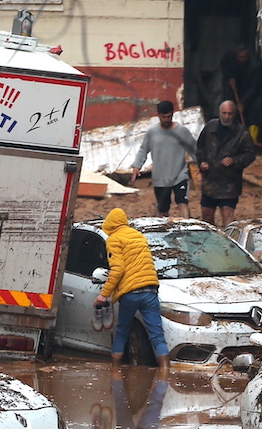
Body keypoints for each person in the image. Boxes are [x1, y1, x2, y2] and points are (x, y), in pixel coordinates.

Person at [92, 207, 169, 368]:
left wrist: (104, 294)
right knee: (157, 335)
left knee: (122, 332)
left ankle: (115, 371)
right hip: (150, 289)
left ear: (111, 224)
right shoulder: (139, 236)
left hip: (130, 292)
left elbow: (118, 269)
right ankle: (165, 372)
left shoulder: (114, 239)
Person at [128, 100, 199, 218]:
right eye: (163, 117)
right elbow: (143, 149)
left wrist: (202, 164)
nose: (166, 120)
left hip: (180, 175)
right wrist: (137, 166)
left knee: (183, 203)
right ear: (158, 115)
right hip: (160, 177)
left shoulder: (182, 131)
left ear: (173, 114)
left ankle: (186, 229)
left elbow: (194, 149)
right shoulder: (152, 132)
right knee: (163, 209)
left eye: (169, 116)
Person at [196, 101, 257, 228]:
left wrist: (235, 160)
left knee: (228, 217)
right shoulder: (210, 127)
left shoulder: (241, 133)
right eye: (224, 113)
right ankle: (208, 245)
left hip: (229, 184)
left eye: (230, 113)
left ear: (234, 114)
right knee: (207, 217)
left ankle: (229, 244)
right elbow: (200, 148)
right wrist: (202, 162)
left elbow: (250, 154)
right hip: (209, 182)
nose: (227, 116)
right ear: (219, 113)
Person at [221, 45, 262, 139]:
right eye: (239, 57)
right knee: (234, 112)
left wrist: (243, 102)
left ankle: (251, 141)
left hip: (254, 92)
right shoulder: (230, 57)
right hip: (238, 87)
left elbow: (255, 87)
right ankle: (233, 137)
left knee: (254, 114)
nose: (241, 59)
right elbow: (224, 65)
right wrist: (230, 77)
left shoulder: (255, 66)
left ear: (248, 55)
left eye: (243, 57)